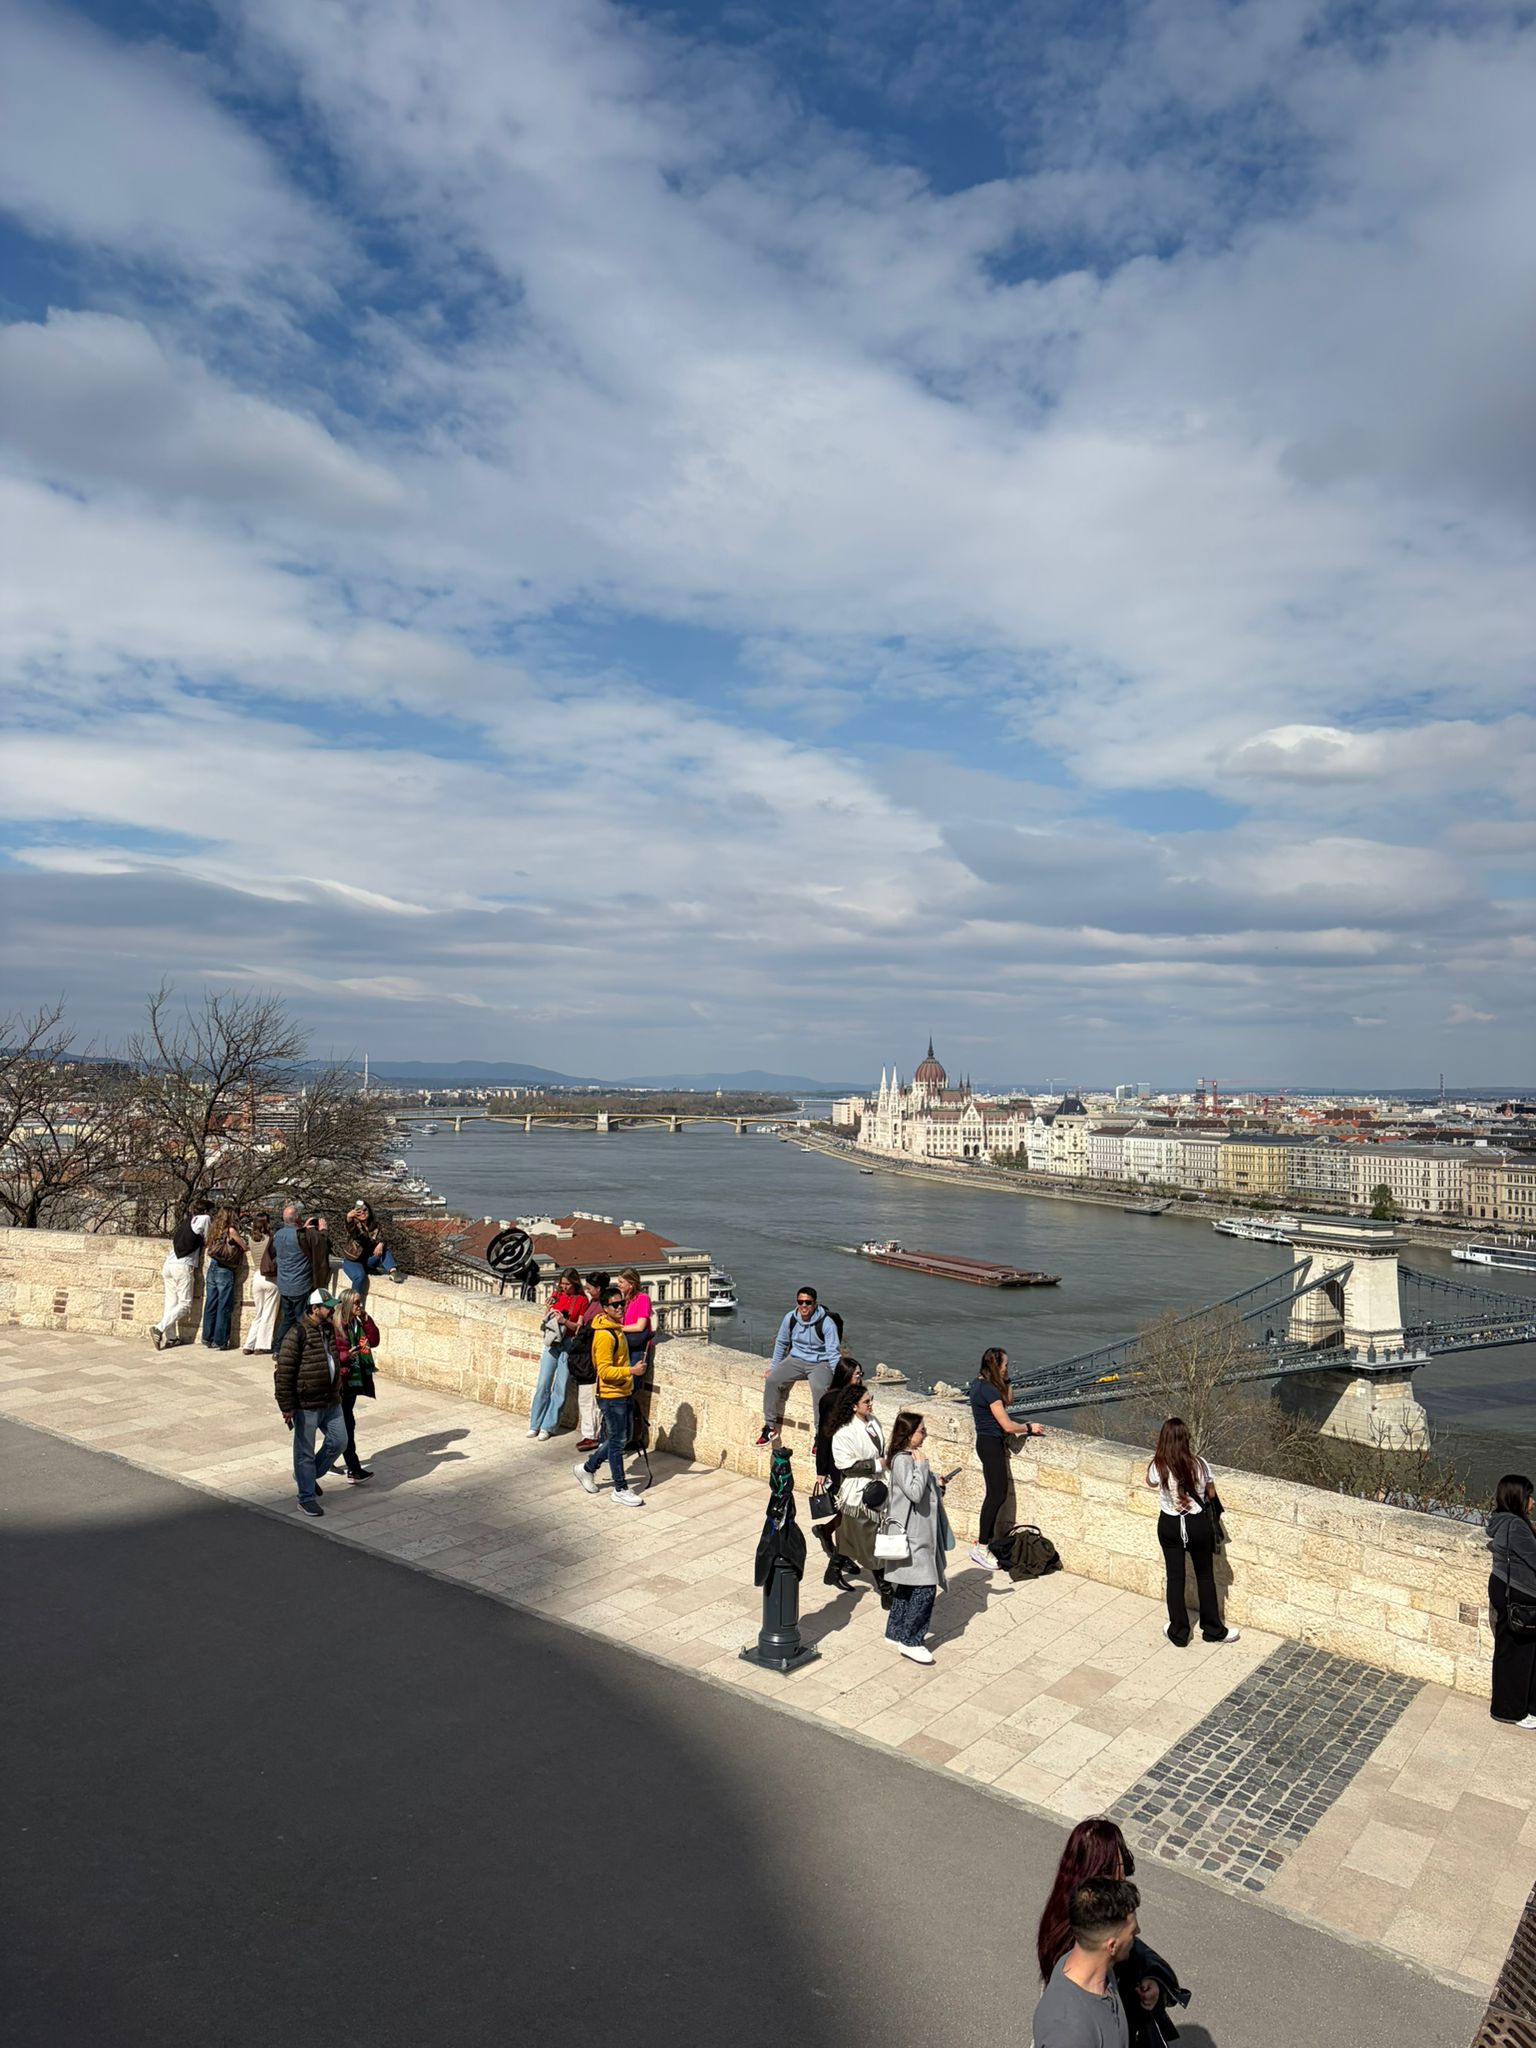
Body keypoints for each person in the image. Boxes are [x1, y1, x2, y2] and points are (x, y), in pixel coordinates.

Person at [1037, 1819, 1190, 2047]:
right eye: (1121, 1866)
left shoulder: (1093, 1958)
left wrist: (1154, 1982)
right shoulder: (1070, 2028)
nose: (1124, 1875)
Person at [1145, 1416, 1239, 1648]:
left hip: (1170, 1524)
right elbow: (1211, 1494)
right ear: (1187, 1439)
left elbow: (1150, 1482)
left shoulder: (1158, 1465)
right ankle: (1213, 1629)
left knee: (1175, 1578)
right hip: (1197, 1524)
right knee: (1204, 1576)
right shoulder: (1200, 1464)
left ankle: (1178, 1631)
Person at [1032, 1878, 1141, 2048]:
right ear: (1112, 1946)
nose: (1138, 1932)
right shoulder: (1069, 2034)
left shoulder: (1094, 1966)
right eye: (1132, 1932)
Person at [882, 1410, 954, 1665]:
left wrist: (936, 1483)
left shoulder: (909, 1458)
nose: (925, 1434)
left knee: (907, 1584)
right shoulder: (904, 1459)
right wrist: (923, 1466)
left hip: (919, 1532)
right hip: (913, 1536)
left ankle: (895, 1630)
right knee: (925, 1587)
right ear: (909, 1433)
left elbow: (921, 1491)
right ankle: (911, 1640)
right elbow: (913, 1492)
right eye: (921, 1430)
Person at [966, 1346, 1045, 1569]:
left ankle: (983, 1544)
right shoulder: (989, 1391)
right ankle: (982, 1547)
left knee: (995, 1494)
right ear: (996, 1366)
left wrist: (1007, 1380)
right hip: (991, 1444)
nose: (1007, 1368)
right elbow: (1008, 1425)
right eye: (1005, 1365)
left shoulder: (979, 1384)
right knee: (996, 1496)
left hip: (987, 1443)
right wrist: (1029, 1427)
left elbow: (1008, 1401)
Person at [275, 1294, 347, 1518]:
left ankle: (307, 1475)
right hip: (307, 1404)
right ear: (315, 1308)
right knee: (304, 1452)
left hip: (331, 1401)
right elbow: (284, 1372)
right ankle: (306, 1498)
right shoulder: (297, 1333)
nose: (332, 1311)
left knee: (339, 1441)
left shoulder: (327, 1329)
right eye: (328, 1308)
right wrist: (287, 1407)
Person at [573, 1285, 645, 1508]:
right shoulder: (605, 1335)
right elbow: (603, 1371)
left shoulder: (616, 1328)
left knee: (618, 1439)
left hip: (621, 1392)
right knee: (617, 1442)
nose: (621, 1307)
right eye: (615, 1304)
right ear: (605, 1308)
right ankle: (620, 1488)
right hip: (611, 1395)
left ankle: (586, 1469)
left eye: (622, 1303)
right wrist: (631, 1372)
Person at [757, 1284, 841, 1446]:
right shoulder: (790, 1318)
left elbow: (833, 1352)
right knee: (772, 1380)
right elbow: (781, 1343)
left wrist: (839, 1378)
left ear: (814, 1304)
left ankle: (820, 1434)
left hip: (819, 1362)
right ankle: (770, 1427)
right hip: (795, 1359)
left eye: (807, 1302)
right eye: (800, 1302)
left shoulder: (826, 1323)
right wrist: (774, 1368)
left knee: (819, 1390)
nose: (803, 1306)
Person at [828, 1379, 887, 1598]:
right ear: (854, 1406)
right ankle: (885, 1588)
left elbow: (881, 1448)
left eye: (870, 1400)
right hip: (859, 1491)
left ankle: (833, 1570)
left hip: (878, 1485)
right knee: (870, 1538)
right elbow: (846, 1466)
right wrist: (876, 1464)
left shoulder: (873, 1422)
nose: (870, 1404)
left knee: (852, 1536)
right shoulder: (844, 1433)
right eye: (866, 1401)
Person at [1487, 1473, 1536, 1728]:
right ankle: (1512, 1711)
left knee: (1514, 1652)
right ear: (1519, 1498)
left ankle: (1517, 1707)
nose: (1533, 1502)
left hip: (1506, 1590)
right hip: (1519, 1596)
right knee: (1516, 1655)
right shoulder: (1516, 1526)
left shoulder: (1503, 1521)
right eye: (1529, 1496)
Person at [812, 1356, 864, 1578]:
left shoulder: (859, 1397)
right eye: (856, 1375)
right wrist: (821, 1470)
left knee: (849, 1510)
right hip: (836, 1464)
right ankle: (840, 1557)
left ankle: (827, 1533)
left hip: (855, 1461)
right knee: (849, 1511)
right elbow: (824, 1435)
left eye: (860, 1374)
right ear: (846, 1376)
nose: (860, 1378)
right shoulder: (830, 1400)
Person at [528, 1266, 586, 1439]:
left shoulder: (582, 1300)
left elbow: (578, 1327)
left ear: (575, 1283)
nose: (564, 1287)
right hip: (553, 1342)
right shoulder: (556, 1295)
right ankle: (535, 1423)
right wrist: (548, 1309)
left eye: (567, 1284)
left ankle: (549, 1426)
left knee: (561, 1386)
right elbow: (546, 1319)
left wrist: (564, 1320)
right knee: (543, 1384)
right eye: (562, 1284)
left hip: (568, 1343)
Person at [332, 1287, 380, 1485]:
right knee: (346, 1426)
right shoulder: (336, 1327)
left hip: (354, 1380)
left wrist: (366, 1319)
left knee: (339, 1427)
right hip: (341, 1382)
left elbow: (374, 1341)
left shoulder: (357, 1324)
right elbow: (331, 1353)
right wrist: (346, 1356)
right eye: (356, 1303)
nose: (360, 1306)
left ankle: (327, 1459)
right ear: (346, 1305)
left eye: (360, 1302)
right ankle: (354, 1469)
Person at [149, 1199, 211, 1350]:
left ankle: (171, 1338)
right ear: (207, 1211)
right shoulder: (205, 1219)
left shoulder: (186, 1221)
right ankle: (159, 1328)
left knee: (171, 1303)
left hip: (169, 1264)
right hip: (183, 1266)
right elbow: (209, 1239)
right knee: (185, 1304)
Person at [570, 1269, 611, 1450]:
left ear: (599, 1288)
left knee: (589, 1399)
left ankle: (592, 1435)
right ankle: (590, 1433)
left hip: (592, 1357)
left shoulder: (602, 1307)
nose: (586, 1289)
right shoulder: (593, 1302)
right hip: (585, 1354)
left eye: (590, 1286)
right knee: (585, 1397)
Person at [270, 1204, 316, 1358]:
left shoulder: (278, 1235)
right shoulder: (302, 1235)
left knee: (287, 1318)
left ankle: (277, 1348)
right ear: (297, 1217)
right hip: (300, 1284)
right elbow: (314, 1247)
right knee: (301, 1320)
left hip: (284, 1285)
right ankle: (299, 1350)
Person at [199, 1206, 247, 1351]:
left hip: (212, 1266)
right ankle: (220, 1341)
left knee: (210, 1303)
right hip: (225, 1268)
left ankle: (207, 1337)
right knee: (224, 1305)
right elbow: (243, 1246)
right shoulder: (231, 1231)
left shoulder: (214, 1229)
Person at [242, 1211, 279, 1356]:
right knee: (268, 1313)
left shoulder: (251, 1239)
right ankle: (261, 1345)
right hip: (270, 1278)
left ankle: (248, 1344)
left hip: (256, 1276)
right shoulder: (270, 1238)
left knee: (259, 1313)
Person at [341, 1200, 387, 1300]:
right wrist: (348, 1218)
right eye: (359, 1211)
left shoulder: (375, 1225)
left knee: (384, 1250)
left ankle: (393, 1270)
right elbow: (352, 1231)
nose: (362, 1213)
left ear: (369, 1210)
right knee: (360, 1276)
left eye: (365, 1210)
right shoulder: (355, 1225)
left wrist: (381, 1243)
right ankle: (353, 1303)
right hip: (353, 1260)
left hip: (366, 1261)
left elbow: (385, 1236)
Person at [618, 1267, 653, 1377]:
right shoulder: (626, 1300)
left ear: (631, 1284)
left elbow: (640, 1326)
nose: (618, 1284)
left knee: (632, 1381)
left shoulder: (643, 1298)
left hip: (638, 1346)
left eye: (621, 1282)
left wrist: (618, 1328)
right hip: (626, 1344)